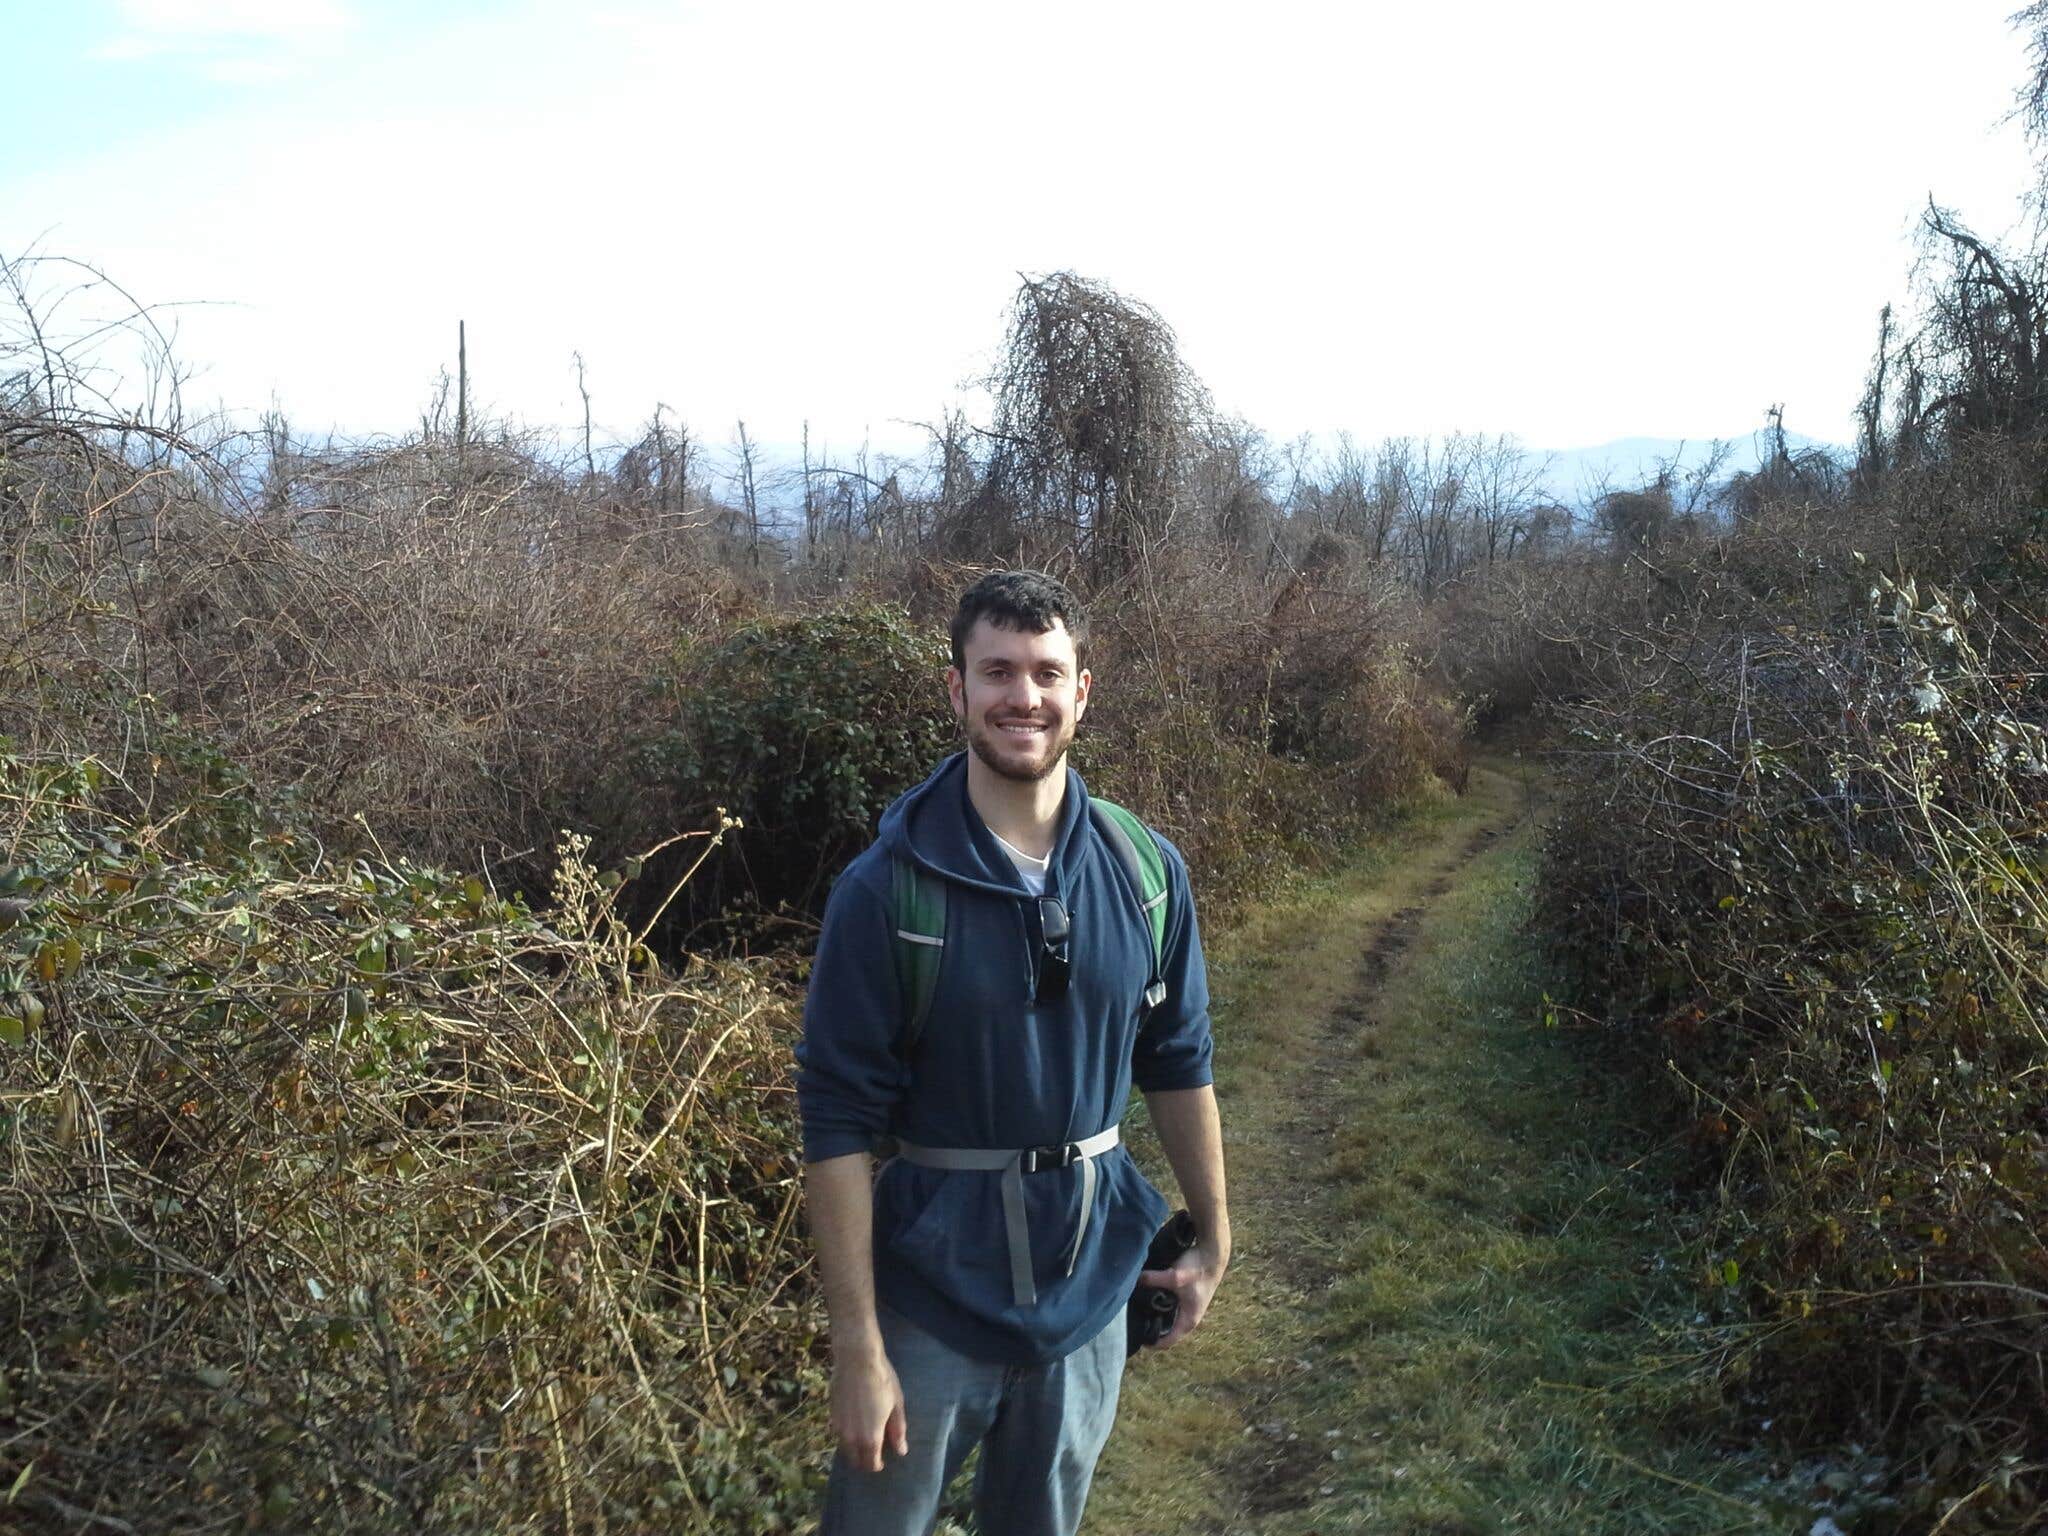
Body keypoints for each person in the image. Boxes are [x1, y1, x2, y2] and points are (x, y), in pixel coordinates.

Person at [795, 568, 1231, 1536]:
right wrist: (858, 1347)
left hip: (1088, 1296)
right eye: (996, 671)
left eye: (1045, 672)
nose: (1021, 697)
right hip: (926, 1302)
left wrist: (1213, 1232)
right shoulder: (884, 894)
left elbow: (1177, 1058)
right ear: (956, 690)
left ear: (1081, 691)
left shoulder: (1145, 872)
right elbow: (835, 1124)